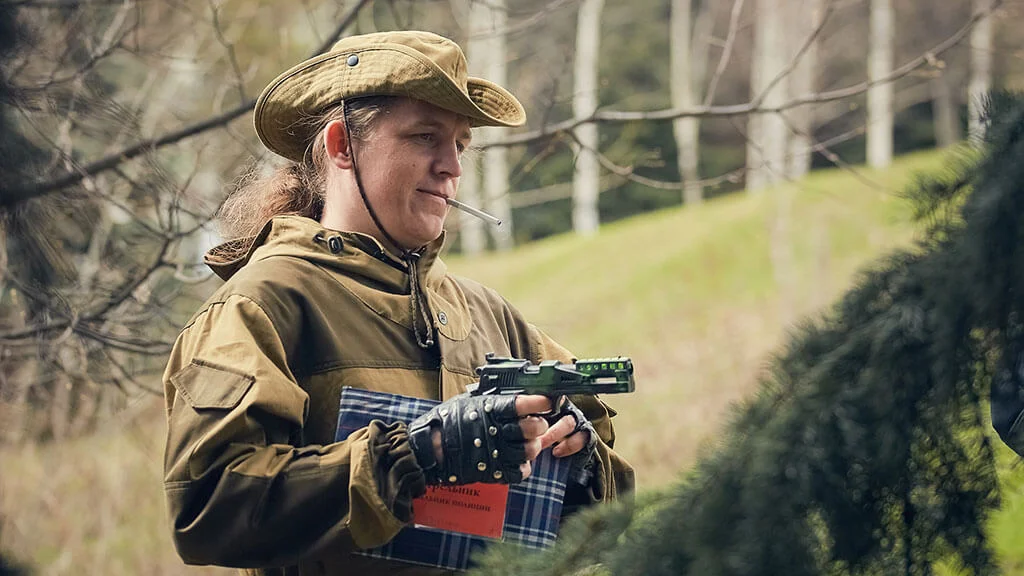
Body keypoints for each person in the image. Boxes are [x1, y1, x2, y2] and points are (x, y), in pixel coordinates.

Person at [161, 30, 635, 575]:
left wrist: (577, 467)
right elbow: (207, 509)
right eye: (425, 136)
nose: (452, 167)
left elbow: (611, 511)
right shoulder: (263, 305)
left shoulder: (492, 317)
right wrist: (420, 452)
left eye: (460, 144)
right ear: (342, 145)